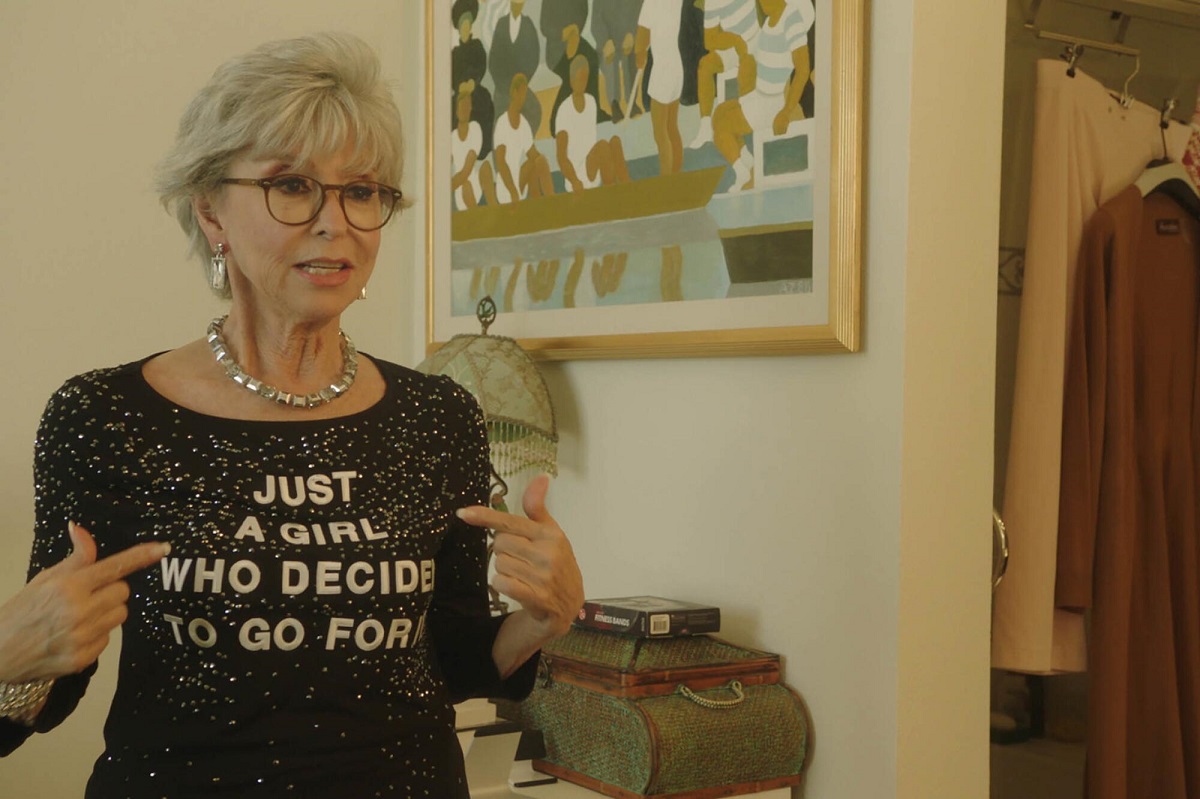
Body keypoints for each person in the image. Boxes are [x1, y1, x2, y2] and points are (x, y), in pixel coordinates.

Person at [0, 32, 584, 799]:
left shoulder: (439, 414)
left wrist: (547, 616)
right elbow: (52, 691)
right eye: (292, 185)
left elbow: (463, 662)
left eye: (363, 190)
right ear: (210, 210)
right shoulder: (104, 416)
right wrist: (8, 657)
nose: (334, 221)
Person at [713, 0, 814, 191]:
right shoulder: (769, 22)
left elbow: (802, 69)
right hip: (760, 95)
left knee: (722, 129)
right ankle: (748, 162)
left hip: (774, 101)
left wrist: (786, 111)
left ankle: (742, 174)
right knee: (719, 113)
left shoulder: (791, 18)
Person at [555, 55, 630, 193]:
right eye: (580, 79)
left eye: (585, 78)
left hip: (593, 170)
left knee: (615, 142)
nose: (583, 83)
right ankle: (611, 193)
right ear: (572, 80)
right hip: (576, 176)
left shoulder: (591, 102)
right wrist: (574, 181)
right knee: (602, 147)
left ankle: (628, 190)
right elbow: (561, 156)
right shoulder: (564, 110)